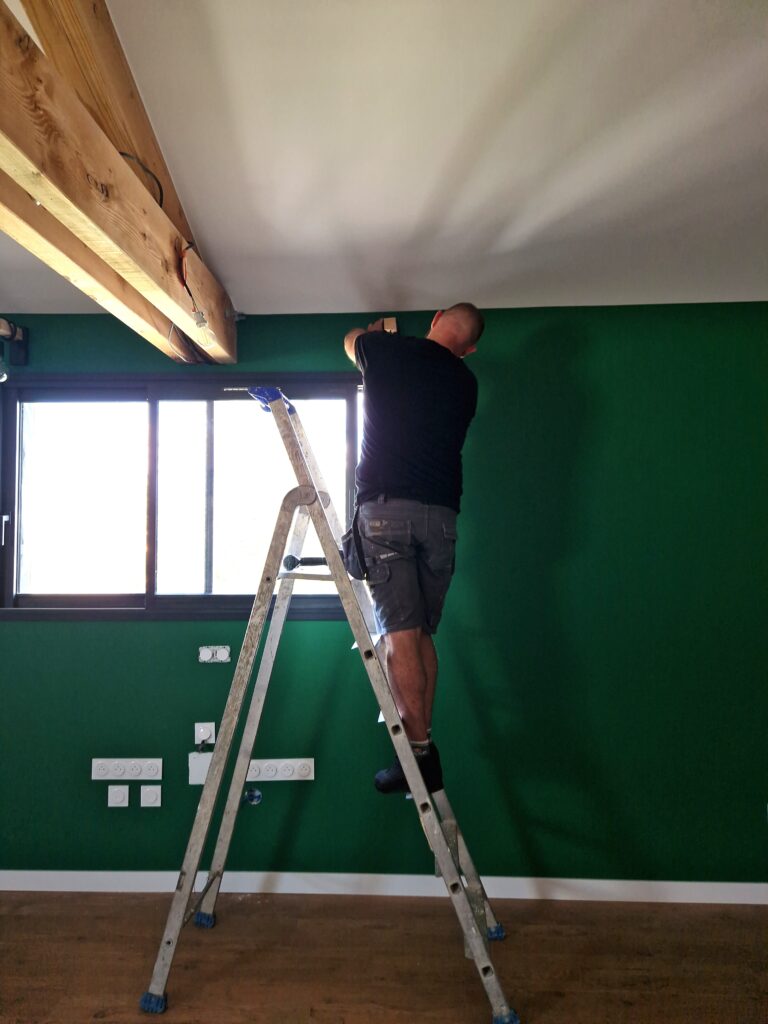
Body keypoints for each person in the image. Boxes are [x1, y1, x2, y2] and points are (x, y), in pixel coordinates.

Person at [343, 303, 483, 793]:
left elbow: (350, 340)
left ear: (437, 317)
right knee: (420, 634)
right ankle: (423, 747)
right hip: (440, 519)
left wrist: (374, 337)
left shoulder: (388, 352)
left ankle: (419, 755)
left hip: (386, 513)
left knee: (399, 638)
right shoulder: (467, 384)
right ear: (470, 349)